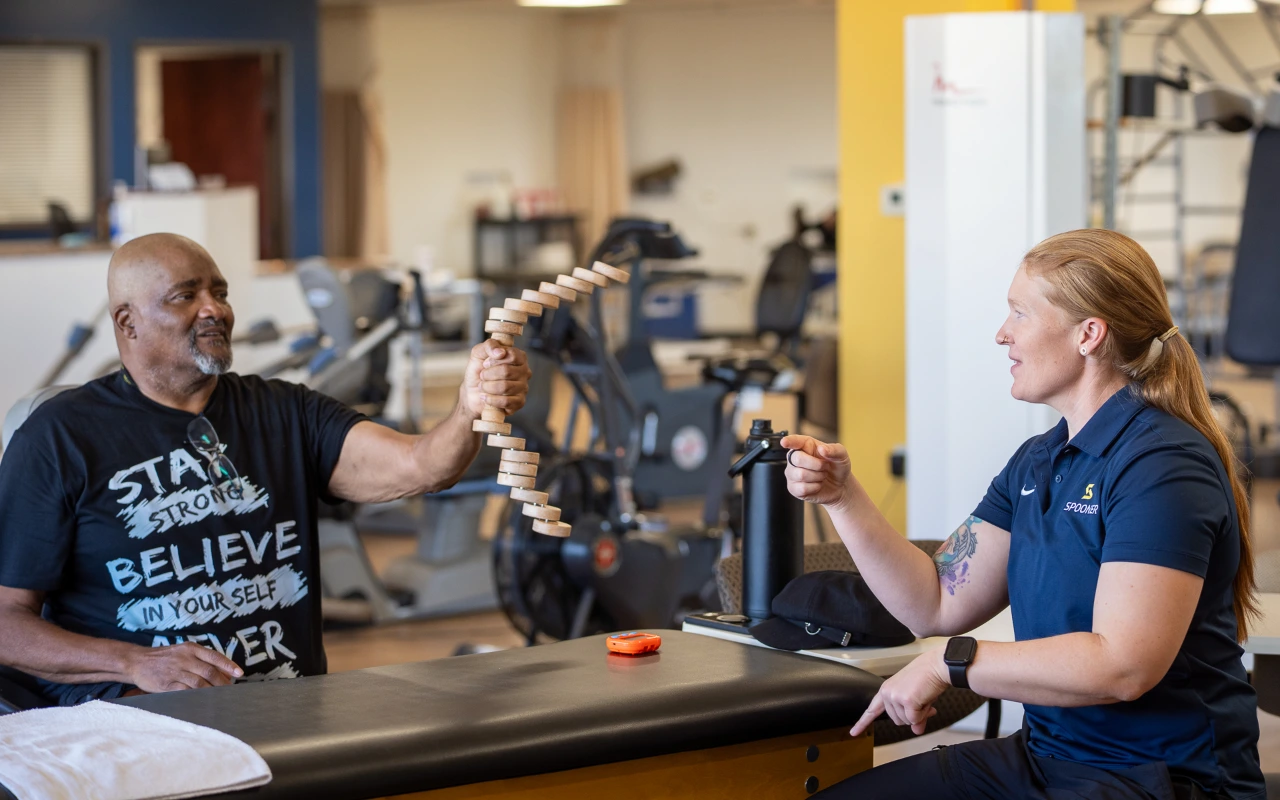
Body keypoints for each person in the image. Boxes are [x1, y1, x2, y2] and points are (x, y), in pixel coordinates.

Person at [783, 229, 1263, 800]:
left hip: (1160, 779)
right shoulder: (1040, 462)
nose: (1002, 334)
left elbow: (1123, 665)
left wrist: (950, 665)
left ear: (1089, 334)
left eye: (1020, 313)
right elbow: (935, 601)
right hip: (1046, 760)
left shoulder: (1163, 463)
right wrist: (843, 497)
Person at [0, 233, 531, 705]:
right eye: (187, 296)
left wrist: (469, 408)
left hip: (288, 709)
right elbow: (6, 623)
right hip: (142, 714)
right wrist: (134, 661)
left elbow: (422, 466)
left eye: (220, 292)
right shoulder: (57, 438)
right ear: (127, 323)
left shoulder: (287, 411)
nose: (214, 309)